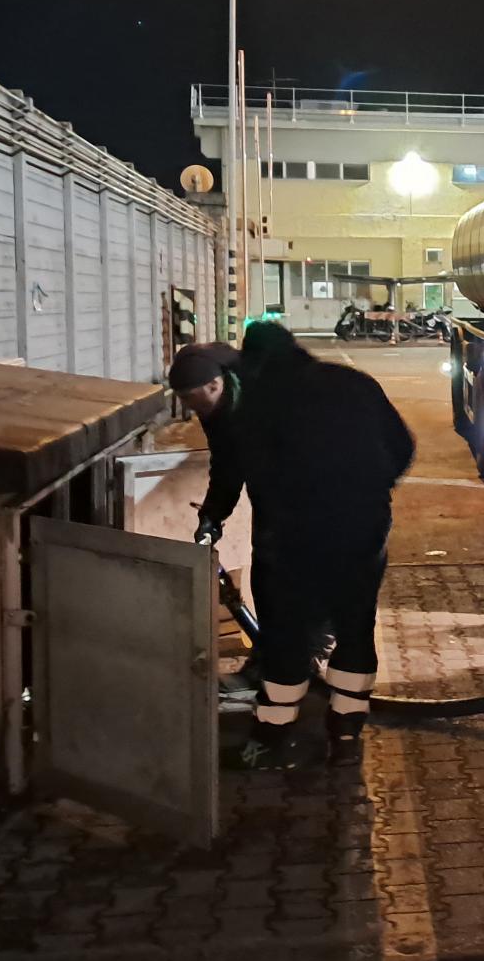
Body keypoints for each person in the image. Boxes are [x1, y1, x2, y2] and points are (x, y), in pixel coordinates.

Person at [169, 322, 415, 768]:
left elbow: (231, 470)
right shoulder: (353, 382)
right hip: (362, 532)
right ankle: (346, 734)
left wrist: (214, 518)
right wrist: (369, 492)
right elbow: (401, 446)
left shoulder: (253, 406)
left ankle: (273, 738)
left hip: (290, 540)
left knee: (284, 636)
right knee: (355, 627)